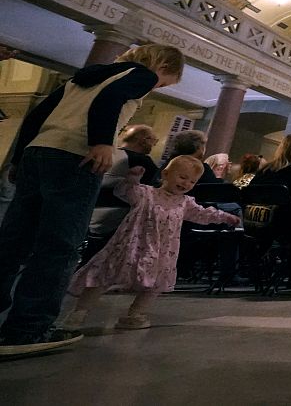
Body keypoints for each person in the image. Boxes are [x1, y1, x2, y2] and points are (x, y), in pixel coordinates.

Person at [0, 43, 183, 356]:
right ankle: (28, 329)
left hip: (38, 153)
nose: (157, 87)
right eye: (165, 82)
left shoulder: (85, 77)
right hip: (76, 157)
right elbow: (109, 100)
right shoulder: (142, 75)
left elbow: (37, 115)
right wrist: (101, 142)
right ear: (162, 66)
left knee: (13, 241)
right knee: (60, 246)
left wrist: (19, 158)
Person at [66, 156, 239, 331]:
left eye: (192, 181)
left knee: (155, 284)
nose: (186, 183)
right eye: (182, 177)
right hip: (130, 245)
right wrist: (132, 179)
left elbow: (203, 214)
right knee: (103, 276)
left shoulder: (185, 203)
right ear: (166, 173)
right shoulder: (146, 193)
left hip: (162, 251)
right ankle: (79, 313)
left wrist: (225, 217)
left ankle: (135, 314)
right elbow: (125, 191)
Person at [84, 125, 162, 262]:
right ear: (144, 140)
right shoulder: (141, 161)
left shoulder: (105, 155)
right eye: (153, 141)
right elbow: (156, 191)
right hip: (119, 221)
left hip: (89, 215)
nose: (153, 145)